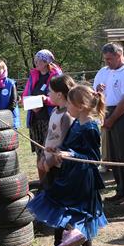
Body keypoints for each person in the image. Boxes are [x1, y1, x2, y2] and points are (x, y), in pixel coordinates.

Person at [29, 84, 108, 246]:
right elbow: (68, 145)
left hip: (83, 180)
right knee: (71, 216)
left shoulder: (90, 127)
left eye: (70, 104)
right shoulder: (77, 123)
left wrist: (70, 154)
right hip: (71, 175)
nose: (67, 107)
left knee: (80, 219)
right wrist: (57, 150)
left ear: (80, 106)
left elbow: (94, 159)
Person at [94, 43, 124, 204]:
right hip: (108, 112)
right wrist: (98, 92)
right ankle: (121, 190)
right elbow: (95, 94)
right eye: (105, 59)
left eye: (109, 59)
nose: (107, 62)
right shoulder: (104, 71)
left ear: (119, 55)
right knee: (114, 156)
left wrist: (111, 120)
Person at [38, 75, 77, 226]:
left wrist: (50, 161)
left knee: (61, 199)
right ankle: (51, 223)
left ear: (59, 94)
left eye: (50, 91)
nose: (48, 94)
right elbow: (49, 135)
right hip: (49, 162)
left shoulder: (67, 116)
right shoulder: (55, 111)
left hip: (59, 165)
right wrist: (43, 155)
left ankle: (64, 226)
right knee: (49, 194)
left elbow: (65, 143)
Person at [22, 50, 64, 175]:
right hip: (35, 120)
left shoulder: (56, 76)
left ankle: (53, 181)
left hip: (50, 119)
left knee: (50, 151)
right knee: (39, 152)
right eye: (35, 60)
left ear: (46, 62)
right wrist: (30, 105)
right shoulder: (33, 75)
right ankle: (42, 183)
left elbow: (61, 97)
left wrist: (45, 100)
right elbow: (25, 94)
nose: (36, 63)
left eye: (39, 60)